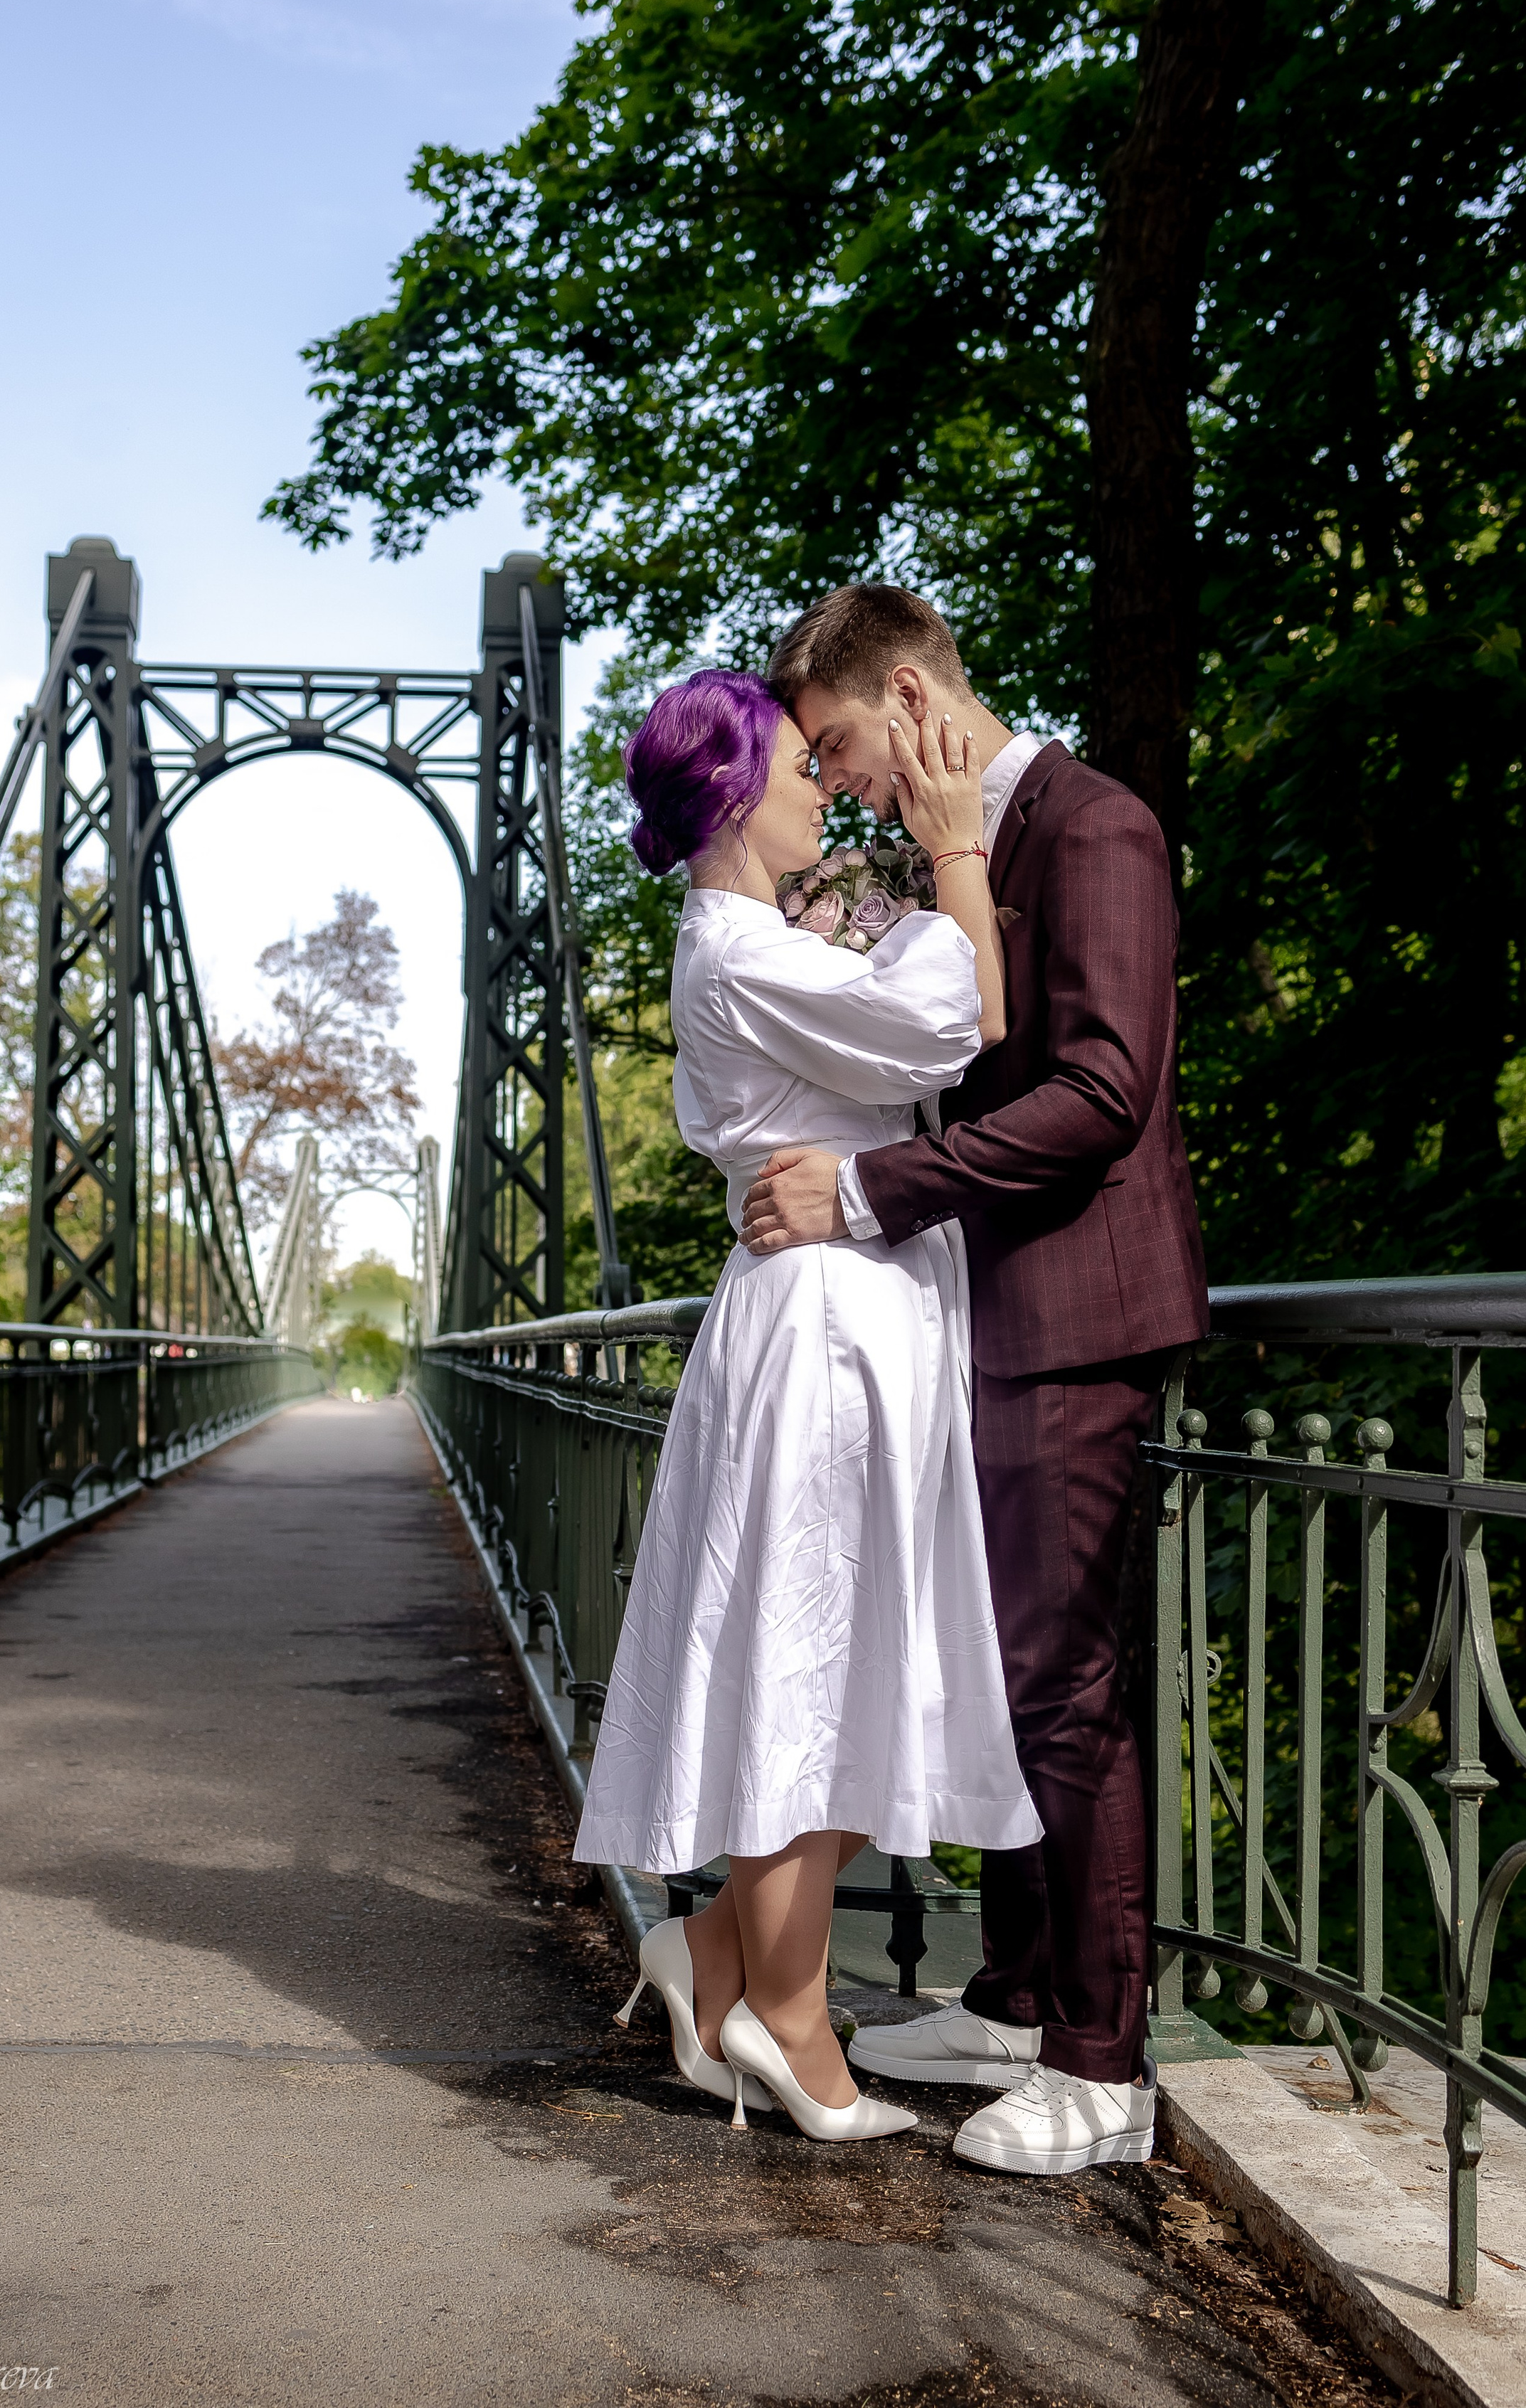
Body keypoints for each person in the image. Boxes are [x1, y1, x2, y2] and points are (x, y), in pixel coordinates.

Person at [741, 584, 1209, 2177]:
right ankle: (1014, 2002)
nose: (837, 779)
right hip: (978, 1311)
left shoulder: (1095, 826)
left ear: (913, 695)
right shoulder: (957, 848)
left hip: (1077, 1311)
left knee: (1063, 1687)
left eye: (837, 744)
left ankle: (1101, 2067)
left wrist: (870, 1193)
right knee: (998, 1680)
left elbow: (1101, 1091)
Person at [573, 667, 1042, 2145]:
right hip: (828, 1327)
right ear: (727, 796)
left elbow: (931, 1022)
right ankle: (789, 2018)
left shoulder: (762, 943)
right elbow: (956, 1023)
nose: (820, 792)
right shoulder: (737, 954)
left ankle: (713, 1954)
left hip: (857, 1312)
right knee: (812, 1661)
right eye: (795, 771)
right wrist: (953, 853)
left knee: (849, 1660)